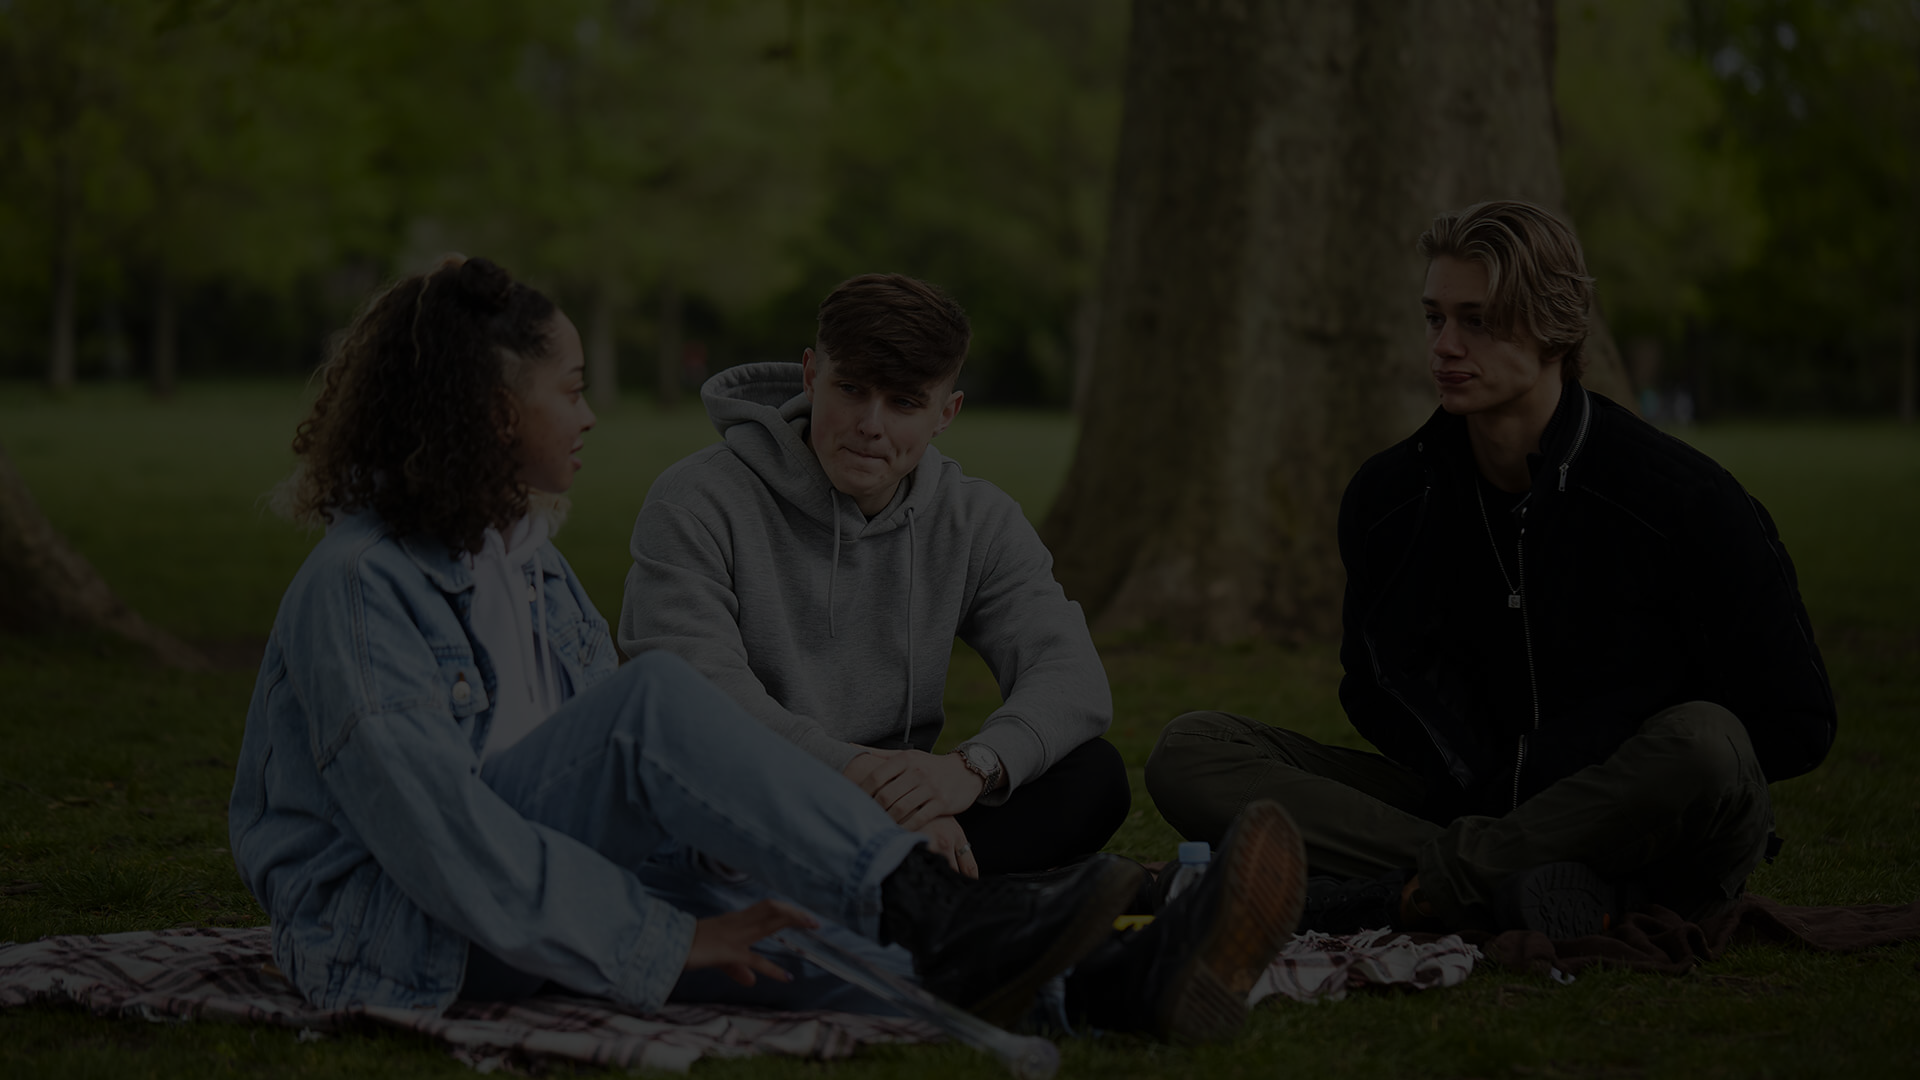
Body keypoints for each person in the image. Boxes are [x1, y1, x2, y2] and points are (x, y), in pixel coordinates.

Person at [227, 255, 1305, 1042]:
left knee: (794, 942)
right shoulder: (363, 588)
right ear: (492, 411)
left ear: (946, 413)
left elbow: (613, 788)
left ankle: (1118, 980)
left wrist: (744, 874)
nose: (593, 415)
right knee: (658, 709)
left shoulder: (530, 561)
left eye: (905, 401)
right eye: (571, 388)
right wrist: (666, 941)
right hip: (404, 929)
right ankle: (948, 915)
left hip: (579, 867)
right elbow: (445, 841)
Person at [1143, 201, 1837, 938]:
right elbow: (1370, 687)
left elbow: (1797, 722)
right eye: (1434, 318)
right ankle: (1529, 886)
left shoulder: (1684, 500)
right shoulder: (1389, 499)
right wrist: (1478, 774)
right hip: (1470, 805)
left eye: (1476, 320)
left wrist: (1585, 767)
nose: (1444, 345)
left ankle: (1434, 888)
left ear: (1554, 326)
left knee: (1704, 741)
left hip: (1654, 826)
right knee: (1193, 750)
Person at [619, 274, 1127, 878]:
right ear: (811, 375)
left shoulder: (975, 518)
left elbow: (1071, 675)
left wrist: (968, 770)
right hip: (758, 796)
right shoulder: (696, 500)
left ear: (947, 412)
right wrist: (869, 783)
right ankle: (936, 901)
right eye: (852, 389)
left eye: (905, 402)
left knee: (1091, 776)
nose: (871, 424)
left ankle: (910, 897)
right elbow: (696, 694)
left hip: (899, 813)